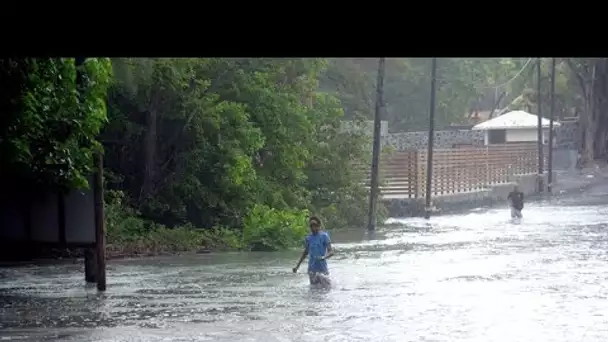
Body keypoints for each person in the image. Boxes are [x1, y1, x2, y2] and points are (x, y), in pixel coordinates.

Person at [292, 216, 334, 286]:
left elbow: (331, 252)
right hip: (312, 268)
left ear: (319, 225)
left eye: (315, 225)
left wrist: (324, 257)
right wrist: (297, 266)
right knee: (313, 290)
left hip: (322, 267)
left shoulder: (324, 236)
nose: (313, 227)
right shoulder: (308, 238)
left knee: (327, 288)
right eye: (311, 225)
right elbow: (305, 253)